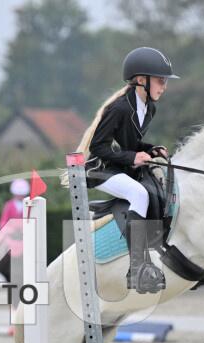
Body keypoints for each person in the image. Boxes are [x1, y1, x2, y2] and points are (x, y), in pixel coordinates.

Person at [74, 47, 179, 294]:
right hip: (99, 169)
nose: (164, 86)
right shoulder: (120, 108)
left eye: (165, 81)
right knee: (138, 193)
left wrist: (150, 149)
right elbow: (98, 147)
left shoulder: (149, 108)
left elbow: (131, 143)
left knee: (158, 189)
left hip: (119, 166)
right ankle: (137, 267)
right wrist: (133, 157)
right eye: (160, 80)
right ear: (141, 80)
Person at [0, 178, 28, 283]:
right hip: (11, 237)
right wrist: (9, 231)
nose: (20, 196)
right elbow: (3, 222)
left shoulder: (28, 205)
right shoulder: (9, 205)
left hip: (24, 237)